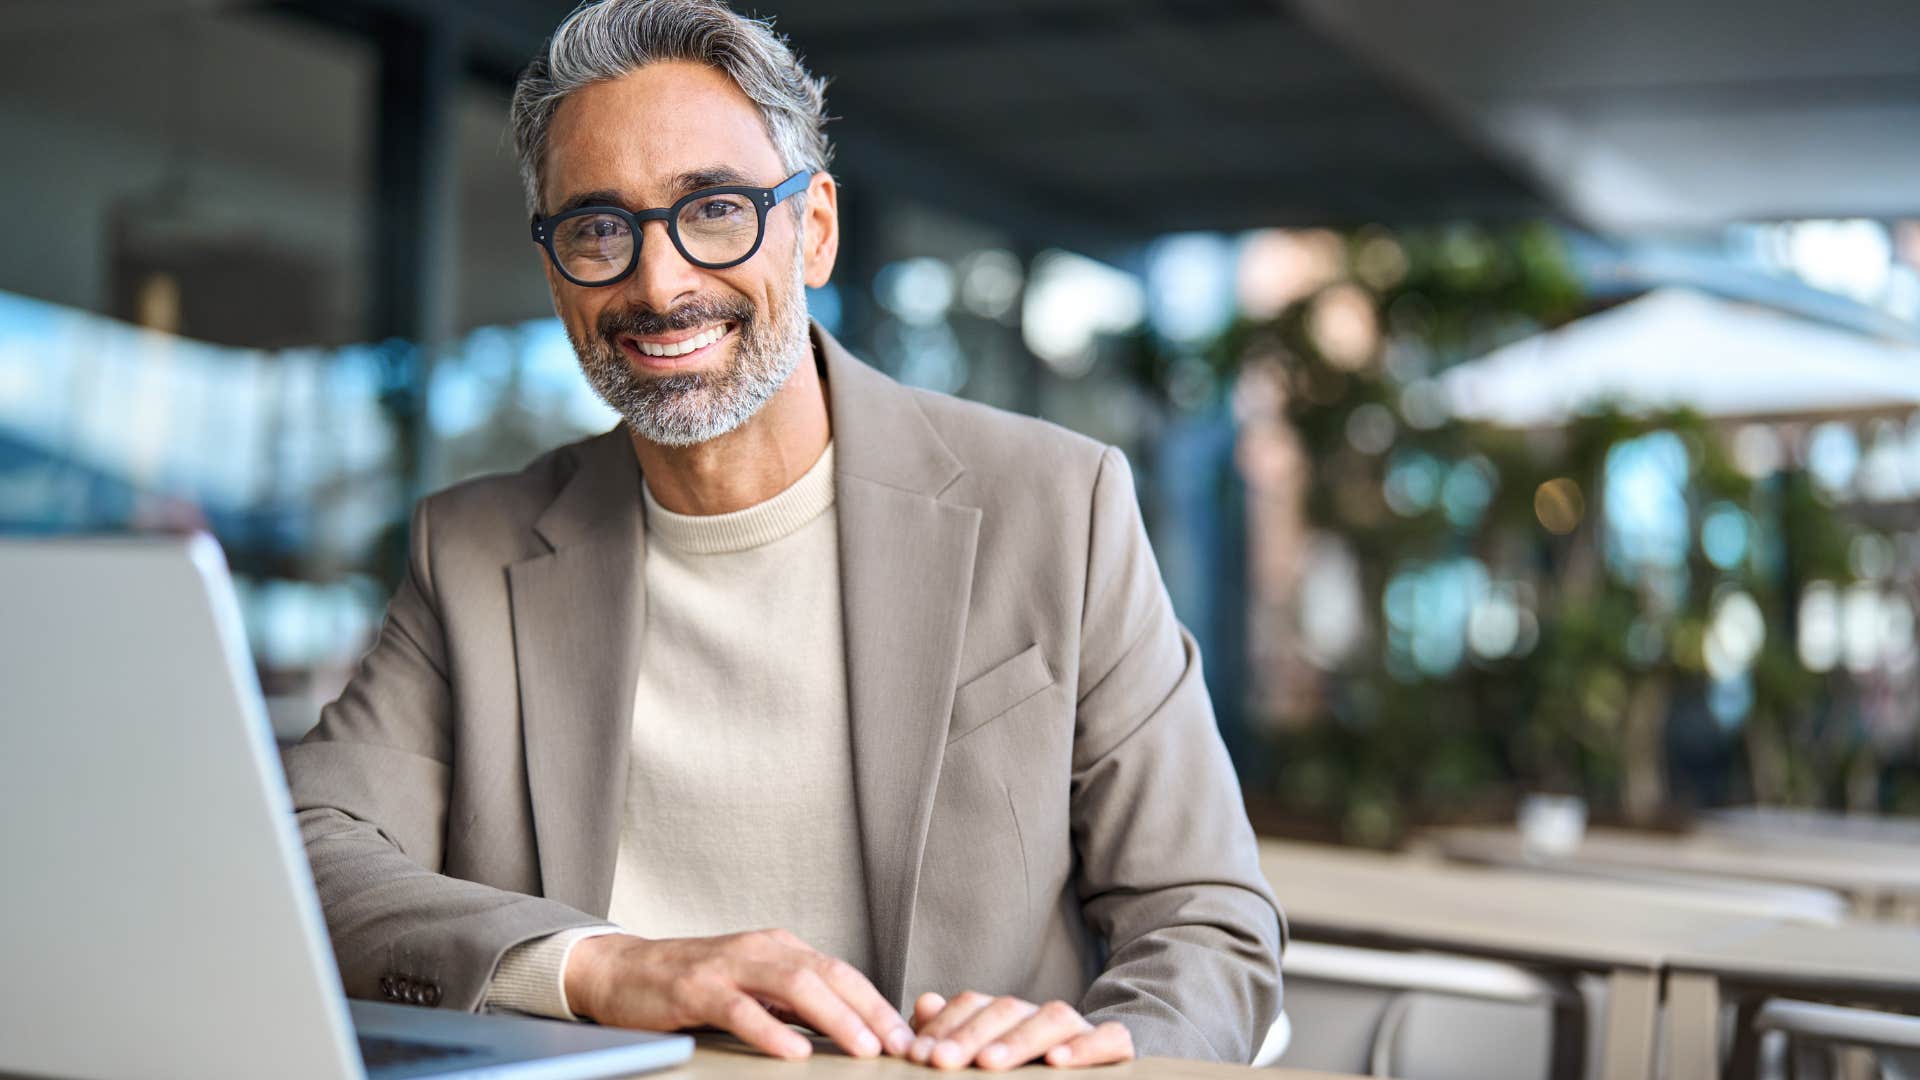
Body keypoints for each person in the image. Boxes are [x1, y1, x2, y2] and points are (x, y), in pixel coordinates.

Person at [284, 0, 1283, 1069]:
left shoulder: (1058, 505)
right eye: (597, 228)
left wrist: (1097, 1043)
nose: (659, 283)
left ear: (814, 231)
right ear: (555, 271)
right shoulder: (473, 549)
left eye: (713, 209)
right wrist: (602, 967)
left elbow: (1207, 923)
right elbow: (301, 849)